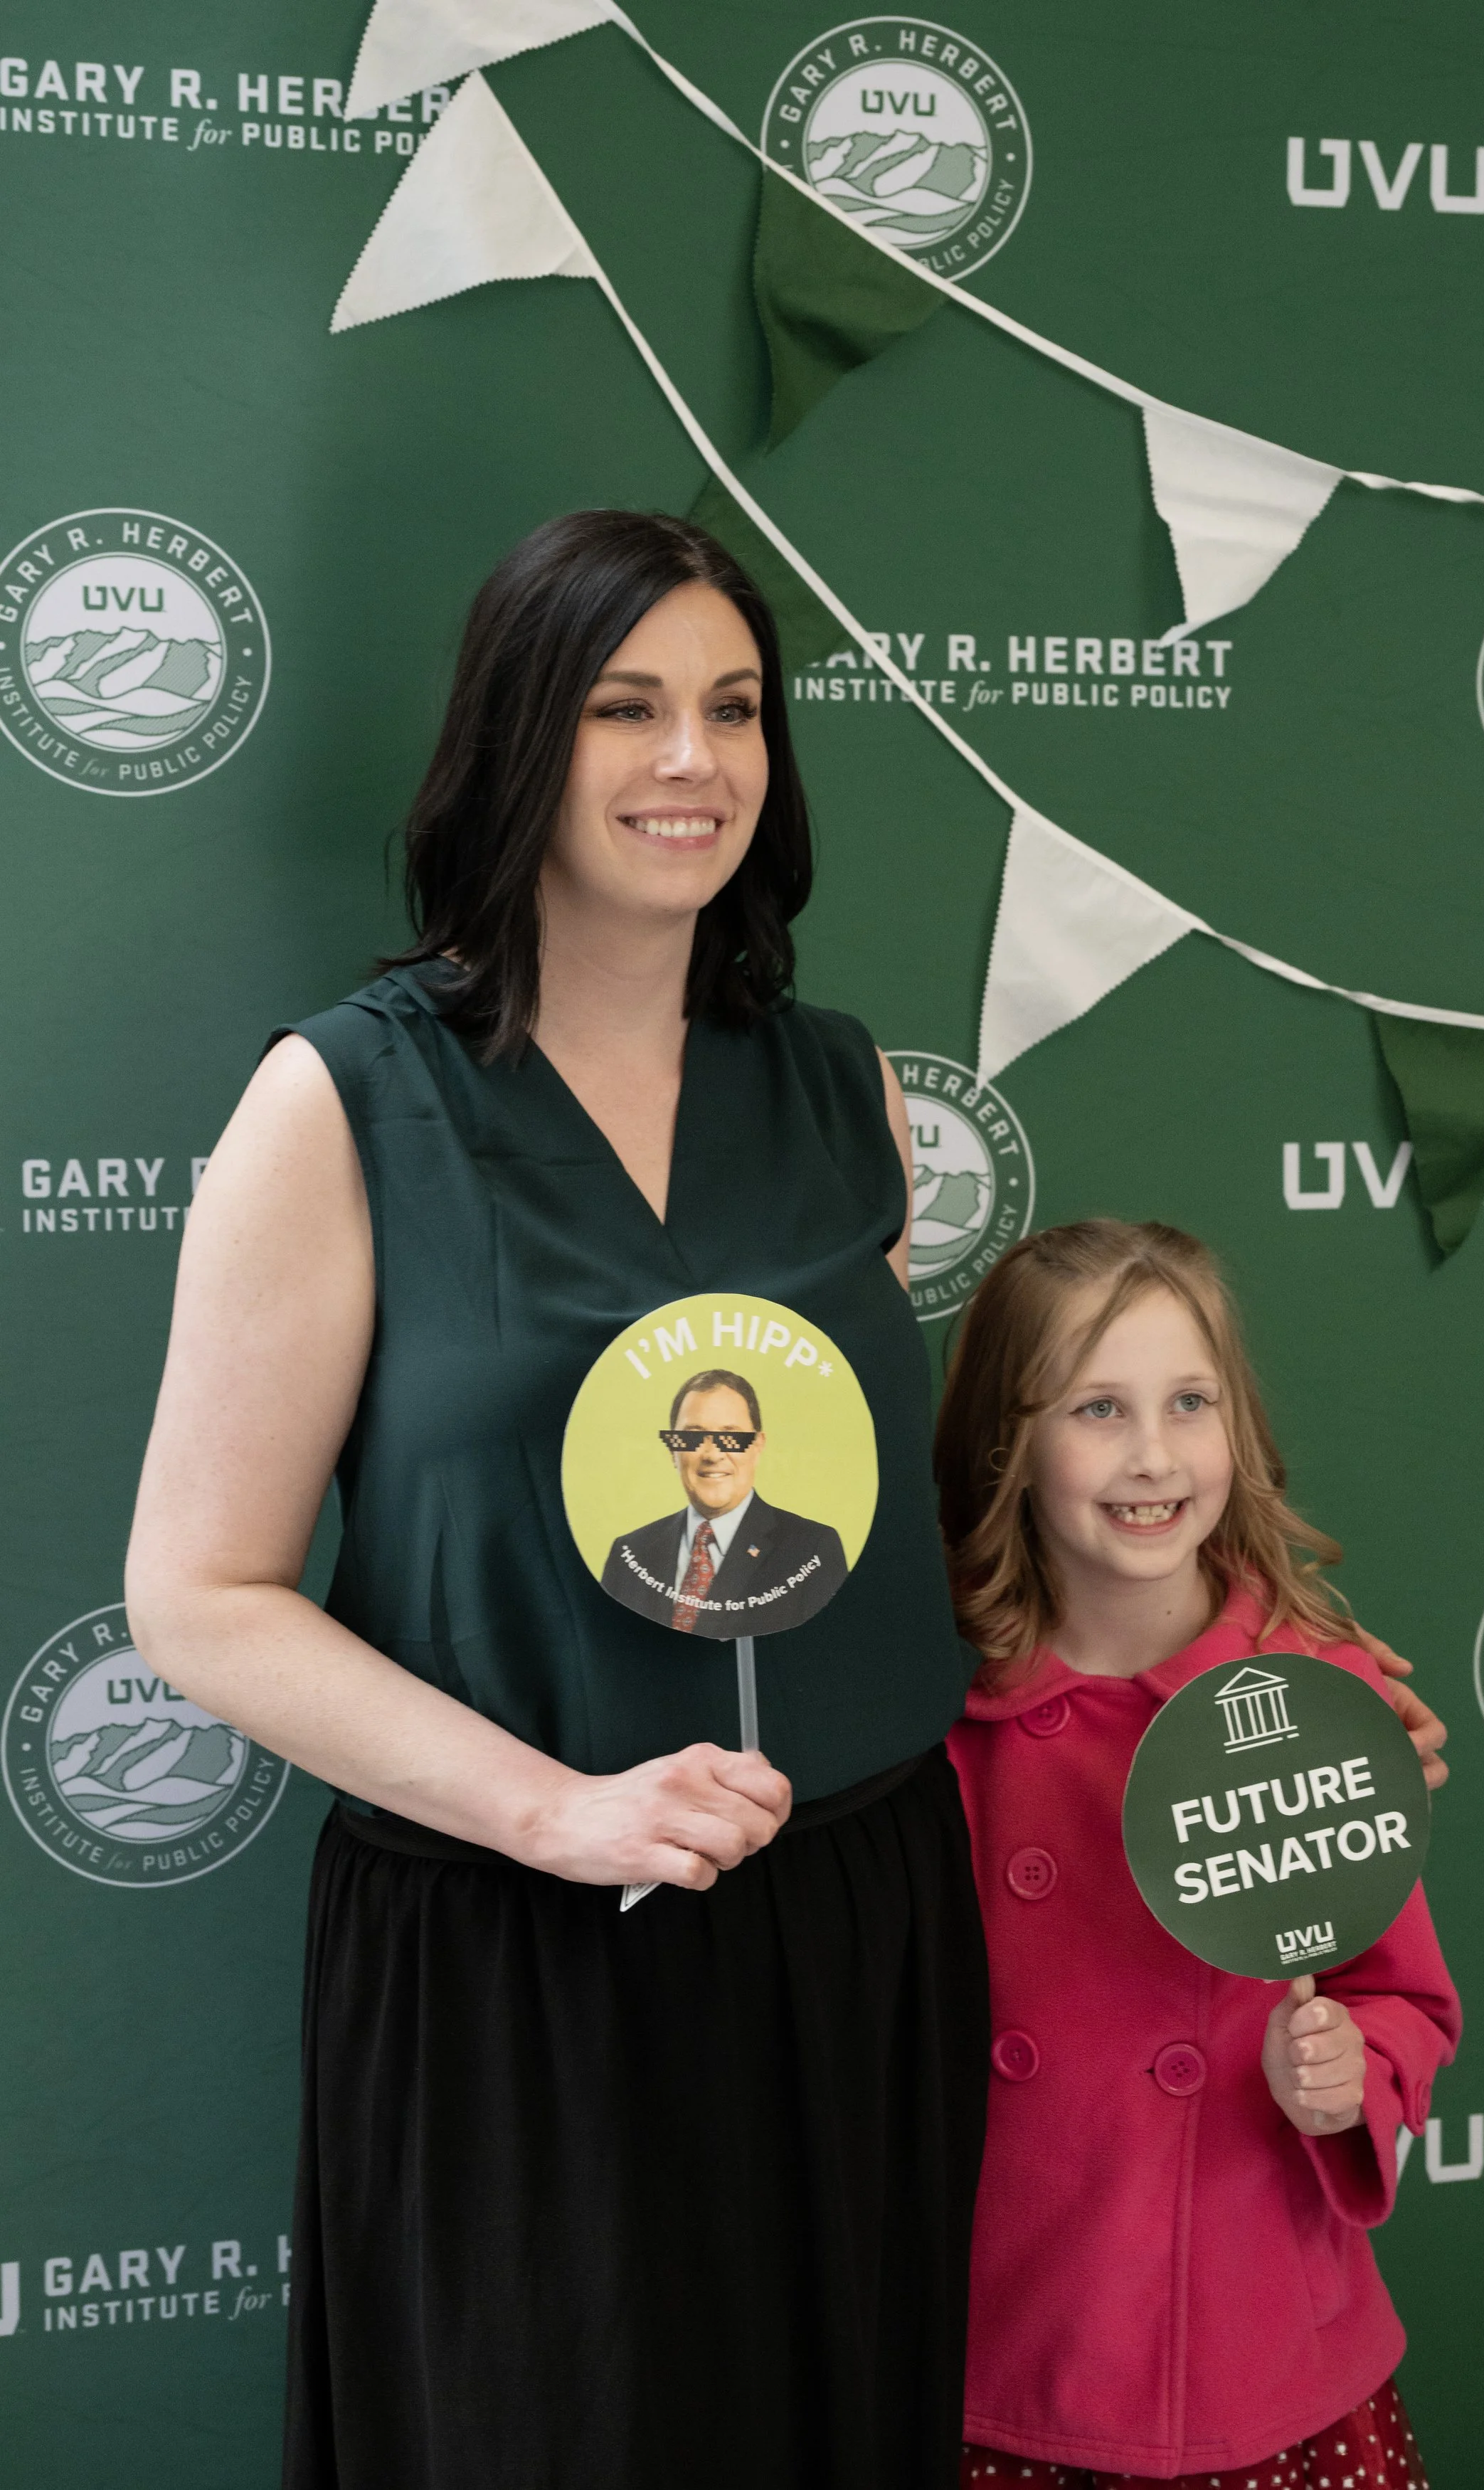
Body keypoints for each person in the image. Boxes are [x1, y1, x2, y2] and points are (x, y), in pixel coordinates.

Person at [124, 511, 989, 2490]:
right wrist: (561, 1809)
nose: (692, 759)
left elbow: (867, 1547)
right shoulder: (345, 1099)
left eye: (734, 709)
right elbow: (199, 1590)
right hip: (525, 1953)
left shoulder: (840, 1089)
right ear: (520, 737)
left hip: (854, 1932)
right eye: (626, 706)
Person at [934, 1220, 1461, 2490]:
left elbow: (1405, 1996)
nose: (1155, 1456)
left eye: (1190, 1403)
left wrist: (1350, 2074)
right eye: (1098, 1410)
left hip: (1261, 2365)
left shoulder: (1318, 1701)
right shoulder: (937, 1718)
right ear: (1010, 1444)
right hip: (1006, 2361)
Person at [601, 1365, 849, 1635]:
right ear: (673, 1450)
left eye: (731, 1436)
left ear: (757, 1446)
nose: (712, 1454)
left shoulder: (812, 1550)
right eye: (693, 1436)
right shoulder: (629, 1555)